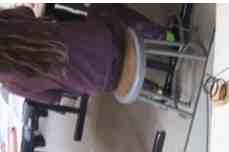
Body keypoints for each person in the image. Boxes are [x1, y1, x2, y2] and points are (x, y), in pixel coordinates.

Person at [0, 4, 173, 104]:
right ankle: (167, 37)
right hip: (109, 41)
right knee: (101, 8)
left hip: (105, 82)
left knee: (95, 70)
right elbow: (27, 12)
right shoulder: (8, 23)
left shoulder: (12, 84)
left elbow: (52, 97)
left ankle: (157, 92)